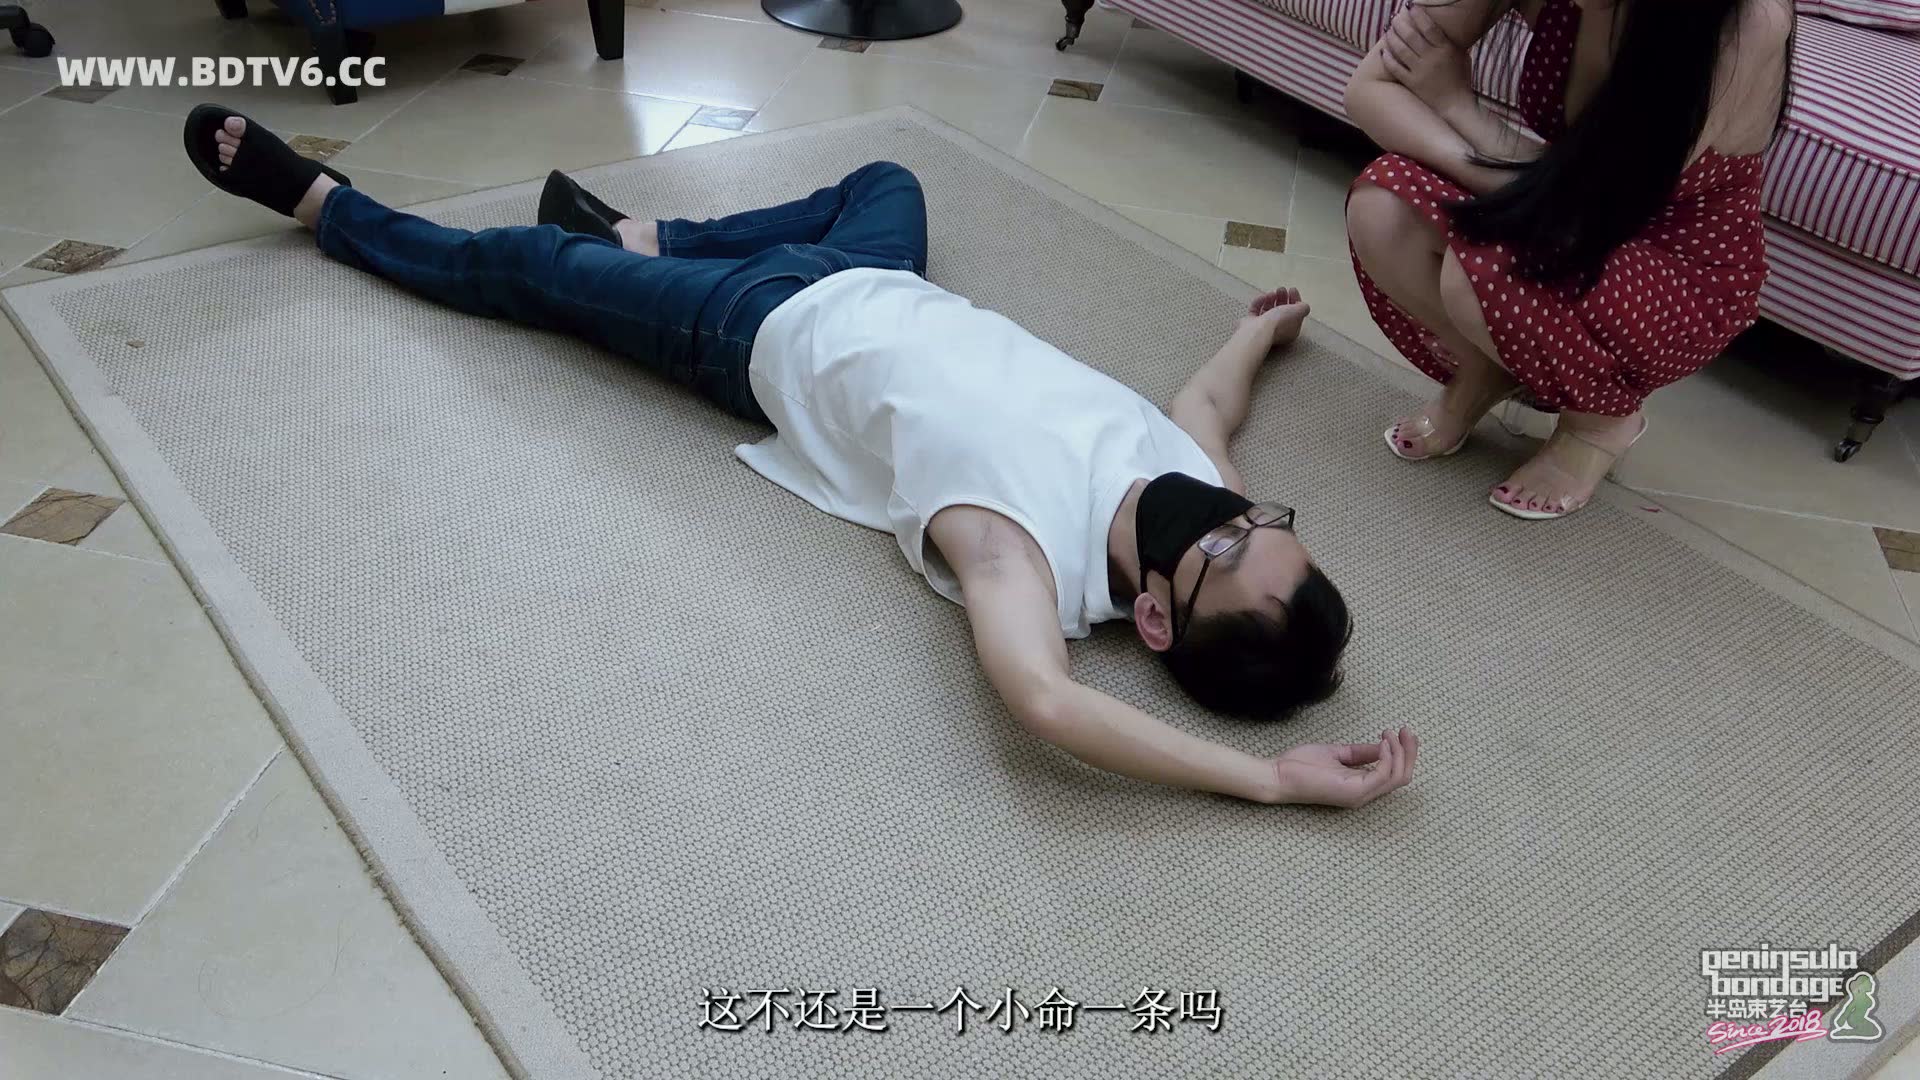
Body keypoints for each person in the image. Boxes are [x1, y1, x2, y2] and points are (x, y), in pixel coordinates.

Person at [179, 105, 1421, 808]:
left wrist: (1268, 782)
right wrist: (1255, 337)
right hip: (877, 277)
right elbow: (1208, 402)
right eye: (1266, 522)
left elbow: (1046, 703)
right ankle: (655, 232)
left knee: (525, 269)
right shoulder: (1204, 492)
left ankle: (327, 208)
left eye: (1228, 551)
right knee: (890, 177)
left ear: (1153, 618)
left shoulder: (1015, 552)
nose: (1237, 519)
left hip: (748, 326)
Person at [1343, 0, 1793, 519]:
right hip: (1559, 214)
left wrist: (1456, 106)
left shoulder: (1747, 21)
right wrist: (1482, 162)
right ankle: (1488, 368)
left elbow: (1598, 207)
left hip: (1680, 272)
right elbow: (1370, 90)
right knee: (1383, 208)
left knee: (1488, 267)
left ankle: (1600, 424)